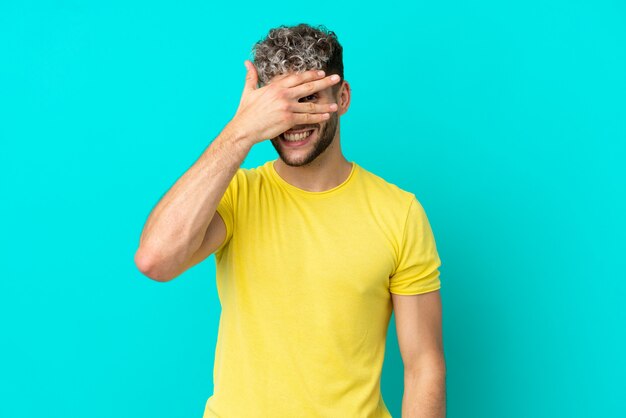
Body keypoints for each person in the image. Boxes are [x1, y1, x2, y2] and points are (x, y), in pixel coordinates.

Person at [135, 23, 446, 418]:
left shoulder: (399, 213)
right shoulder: (235, 196)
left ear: (343, 97)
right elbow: (155, 260)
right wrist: (240, 132)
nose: (294, 120)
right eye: (281, 104)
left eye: (309, 99)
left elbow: (424, 366)